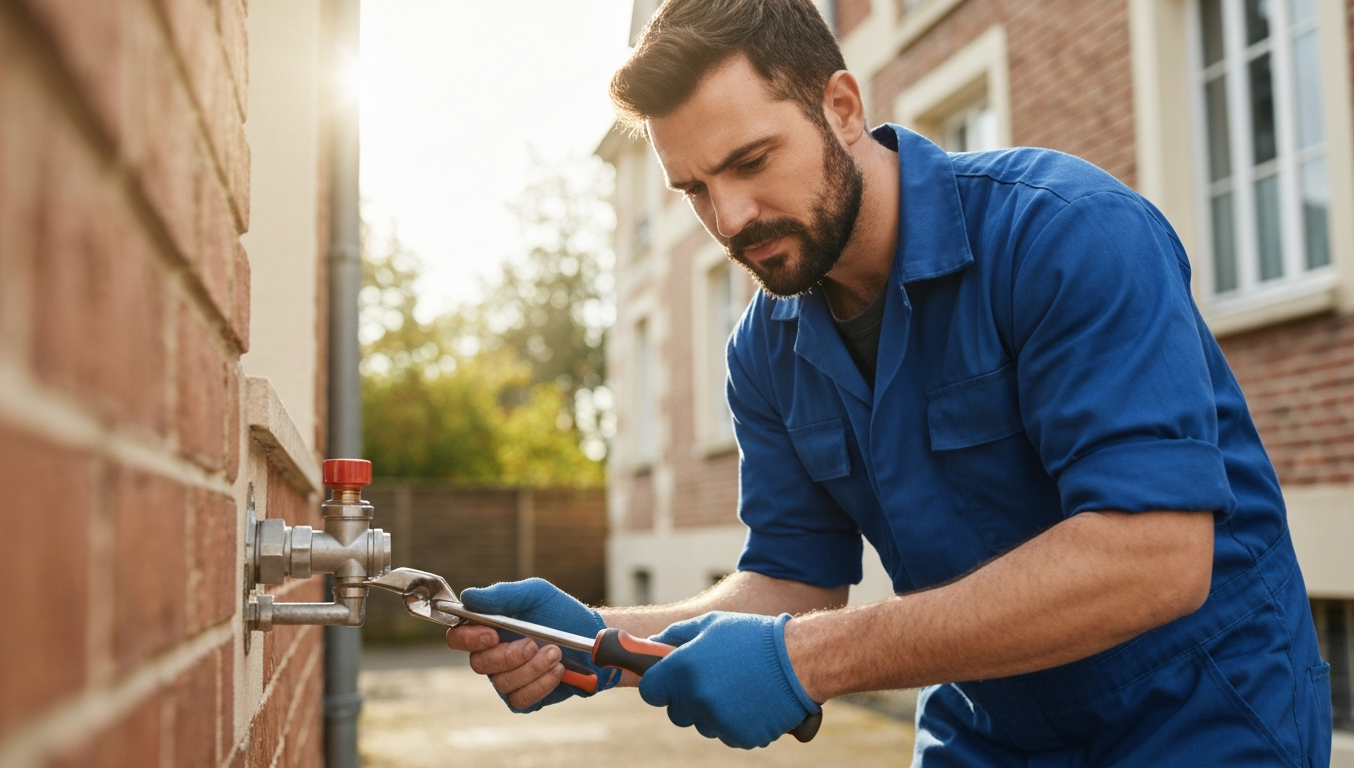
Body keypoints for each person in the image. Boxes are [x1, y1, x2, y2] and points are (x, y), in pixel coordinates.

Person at [447, 0, 1334, 763]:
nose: (731, 219)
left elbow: (1152, 560)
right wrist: (599, 639)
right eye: (694, 189)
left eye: (752, 162)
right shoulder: (765, 349)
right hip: (988, 728)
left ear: (841, 106)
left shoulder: (1069, 233)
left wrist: (811, 661)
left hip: (1201, 720)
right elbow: (793, 580)